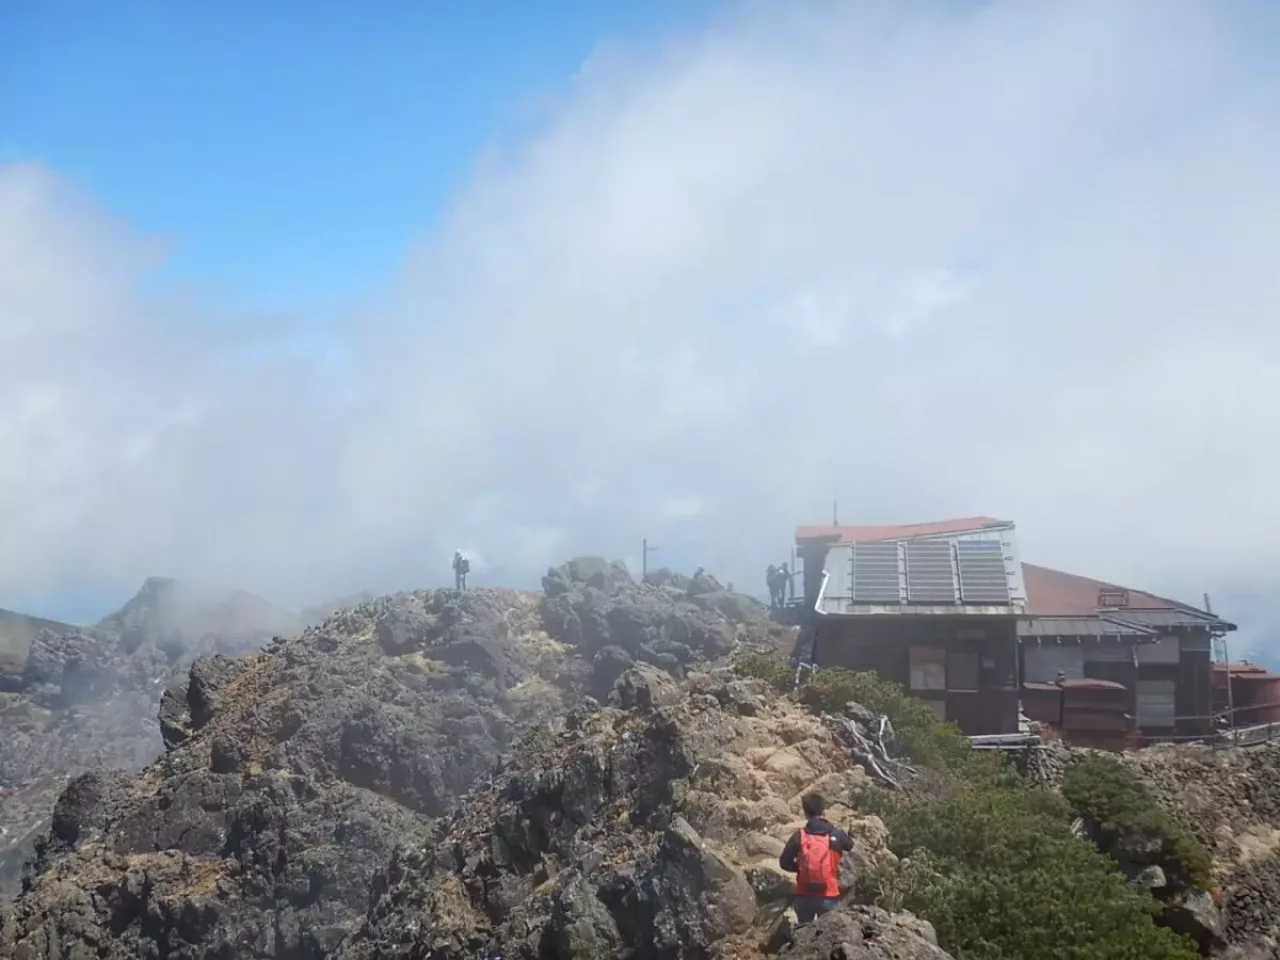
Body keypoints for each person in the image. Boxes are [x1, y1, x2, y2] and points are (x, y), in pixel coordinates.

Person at [779, 792, 854, 925]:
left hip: (804, 894)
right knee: (827, 934)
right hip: (828, 894)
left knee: (803, 933)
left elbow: (784, 863)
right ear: (823, 810)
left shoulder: (799, 836)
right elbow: (849, 845)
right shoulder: (835, 834)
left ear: (805, 812)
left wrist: (802, 868)